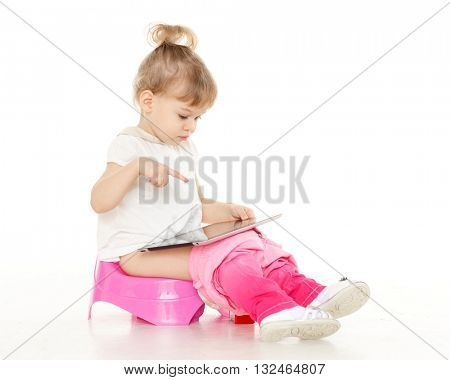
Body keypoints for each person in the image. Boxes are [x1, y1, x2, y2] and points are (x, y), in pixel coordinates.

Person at [90, 23, 370, 342]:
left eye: (198, 118)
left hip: (176, 239)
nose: (191, 126)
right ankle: (274, 311)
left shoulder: (183, 149)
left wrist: (227, 212)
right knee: (226, 258)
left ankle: (310, 294)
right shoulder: (130, 145)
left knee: (253, 243)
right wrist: (136, 168)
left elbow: (196, 207)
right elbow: (99, 200)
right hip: (137, 254)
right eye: (184, 116)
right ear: (148, 101)